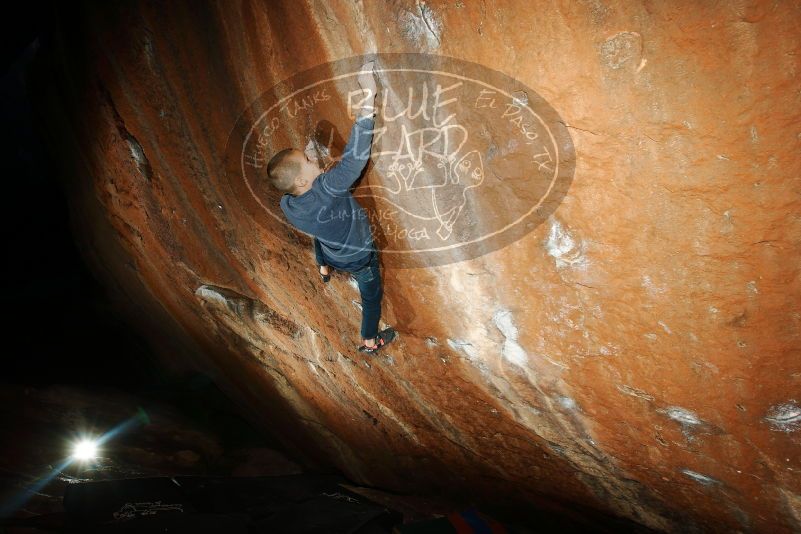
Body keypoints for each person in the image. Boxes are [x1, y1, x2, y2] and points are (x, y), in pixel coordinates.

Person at [267, 61, 395, 354]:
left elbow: (300, 185)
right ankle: (369, 340)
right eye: (309, 162)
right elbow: (353, 161)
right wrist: (368, 98)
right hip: (358, 257)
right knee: (371, 297)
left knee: (319, 232)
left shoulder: (288, 203)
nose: (315, 162)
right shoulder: (327, 189)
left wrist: (308, 166)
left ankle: (323, 267)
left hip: (333, 249)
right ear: (302, 179)